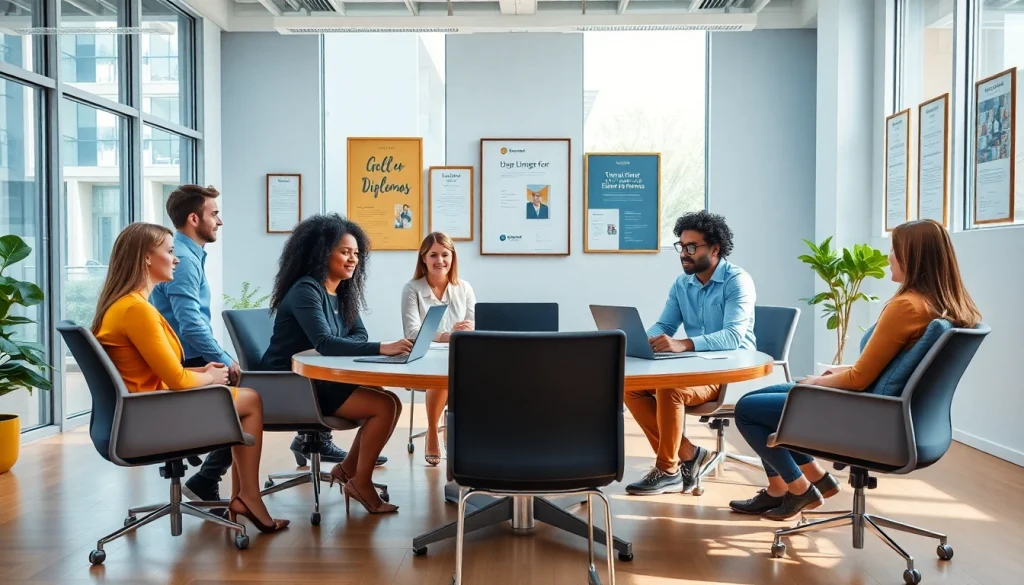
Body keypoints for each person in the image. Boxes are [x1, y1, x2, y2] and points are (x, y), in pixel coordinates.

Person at [730, 219, 982, 521]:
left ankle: (799, 489)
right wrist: (837, 371)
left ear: (913, 256)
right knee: (767, 396)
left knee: (747, 409)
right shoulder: (942, 307)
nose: (889, 257)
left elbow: (859, 379)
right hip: (888, 413)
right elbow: (897, 365)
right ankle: (813, 480)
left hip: (869, 415)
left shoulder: (907, 306)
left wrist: (816, 383)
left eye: (894, 249)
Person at [93, 222, 288, 534]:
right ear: (146, 258)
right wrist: (210, 377)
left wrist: (207, 372)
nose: (176, 259)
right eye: (169, 252)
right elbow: (179, 382)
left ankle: (240, 494)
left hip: (142, 408)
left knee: (238, 392)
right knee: (250, 399)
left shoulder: (125, 305)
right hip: (151, 415)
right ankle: (248, 497)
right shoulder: (136, 310)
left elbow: (160, 372)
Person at [260, 214, 409, 514]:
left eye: (356, 253)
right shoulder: (306, 290)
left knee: (389, 398)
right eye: (345, 251)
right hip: (292, 384)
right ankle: (360, 482)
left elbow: (358, 333)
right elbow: (326, 343)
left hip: (319, 377)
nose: (353, 259)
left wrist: (360, 345)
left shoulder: (341, 291)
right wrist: (384, 348)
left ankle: (345, 472)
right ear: (321, 252)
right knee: (385, 406)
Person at [624, 210, 756, 496]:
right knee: (630, 388)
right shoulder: (682, 284)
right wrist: (640, 339)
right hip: (696, 368)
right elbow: (666, 324)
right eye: (681, 247)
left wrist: (683, 344)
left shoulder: (737, 281)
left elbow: (734, 336)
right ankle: (690, 453)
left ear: (715, 249)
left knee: (669, 388)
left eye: (692, 247)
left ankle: (668, 470)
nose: (684, 253)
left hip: (731, 373)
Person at [149, 185, 239, 509]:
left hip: (186, 357)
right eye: (214, 214)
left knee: (248, 393)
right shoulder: (185, 260)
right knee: (251, 399)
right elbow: (191, 325)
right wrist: (226, 360)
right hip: (186, 362)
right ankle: (209, 480)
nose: (220, 221)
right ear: (193, 218)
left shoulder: (187, 256)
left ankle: (210, 479)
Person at [400, 232, 477, 466]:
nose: (440, 260)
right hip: (423, 358)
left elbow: (474, 323)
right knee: (442, 373)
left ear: (452, 258)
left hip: (460, 356)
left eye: (445, 254)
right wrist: (447, 335)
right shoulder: (412, 288)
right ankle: (432, 430)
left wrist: (467, 329)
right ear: (423, 258)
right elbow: (412, 332)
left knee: (454, 369)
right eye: (433, 255)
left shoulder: (463, 288)